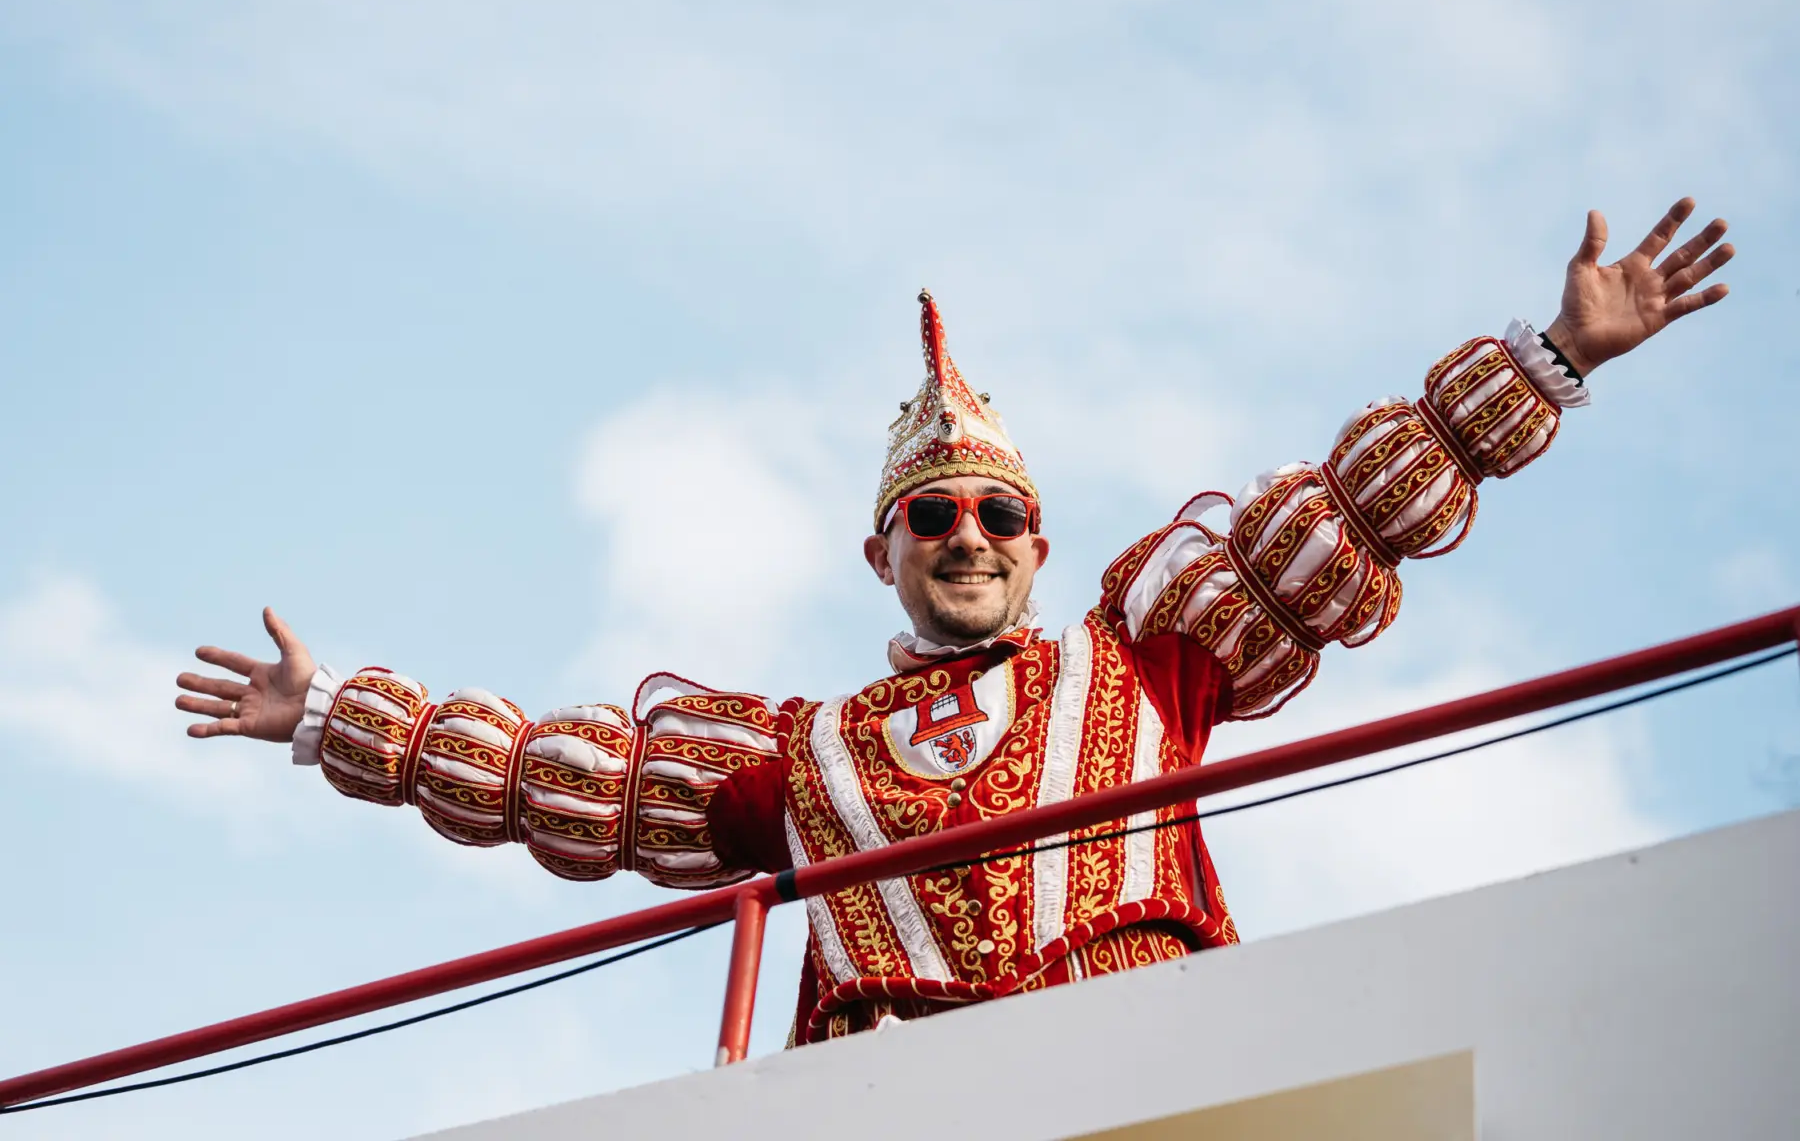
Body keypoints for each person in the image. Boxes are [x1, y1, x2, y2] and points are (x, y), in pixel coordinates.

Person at [176, 199, 1733, 1042]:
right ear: (885, 553)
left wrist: (1551, 359)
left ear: (1040, 545)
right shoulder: (800, 759)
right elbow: (559, 782)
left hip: (1153, 1084)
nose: (967, 537)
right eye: (935, 517)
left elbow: (1340, 520)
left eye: (996, 516)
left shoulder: (1143, 655)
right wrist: (328, 719)